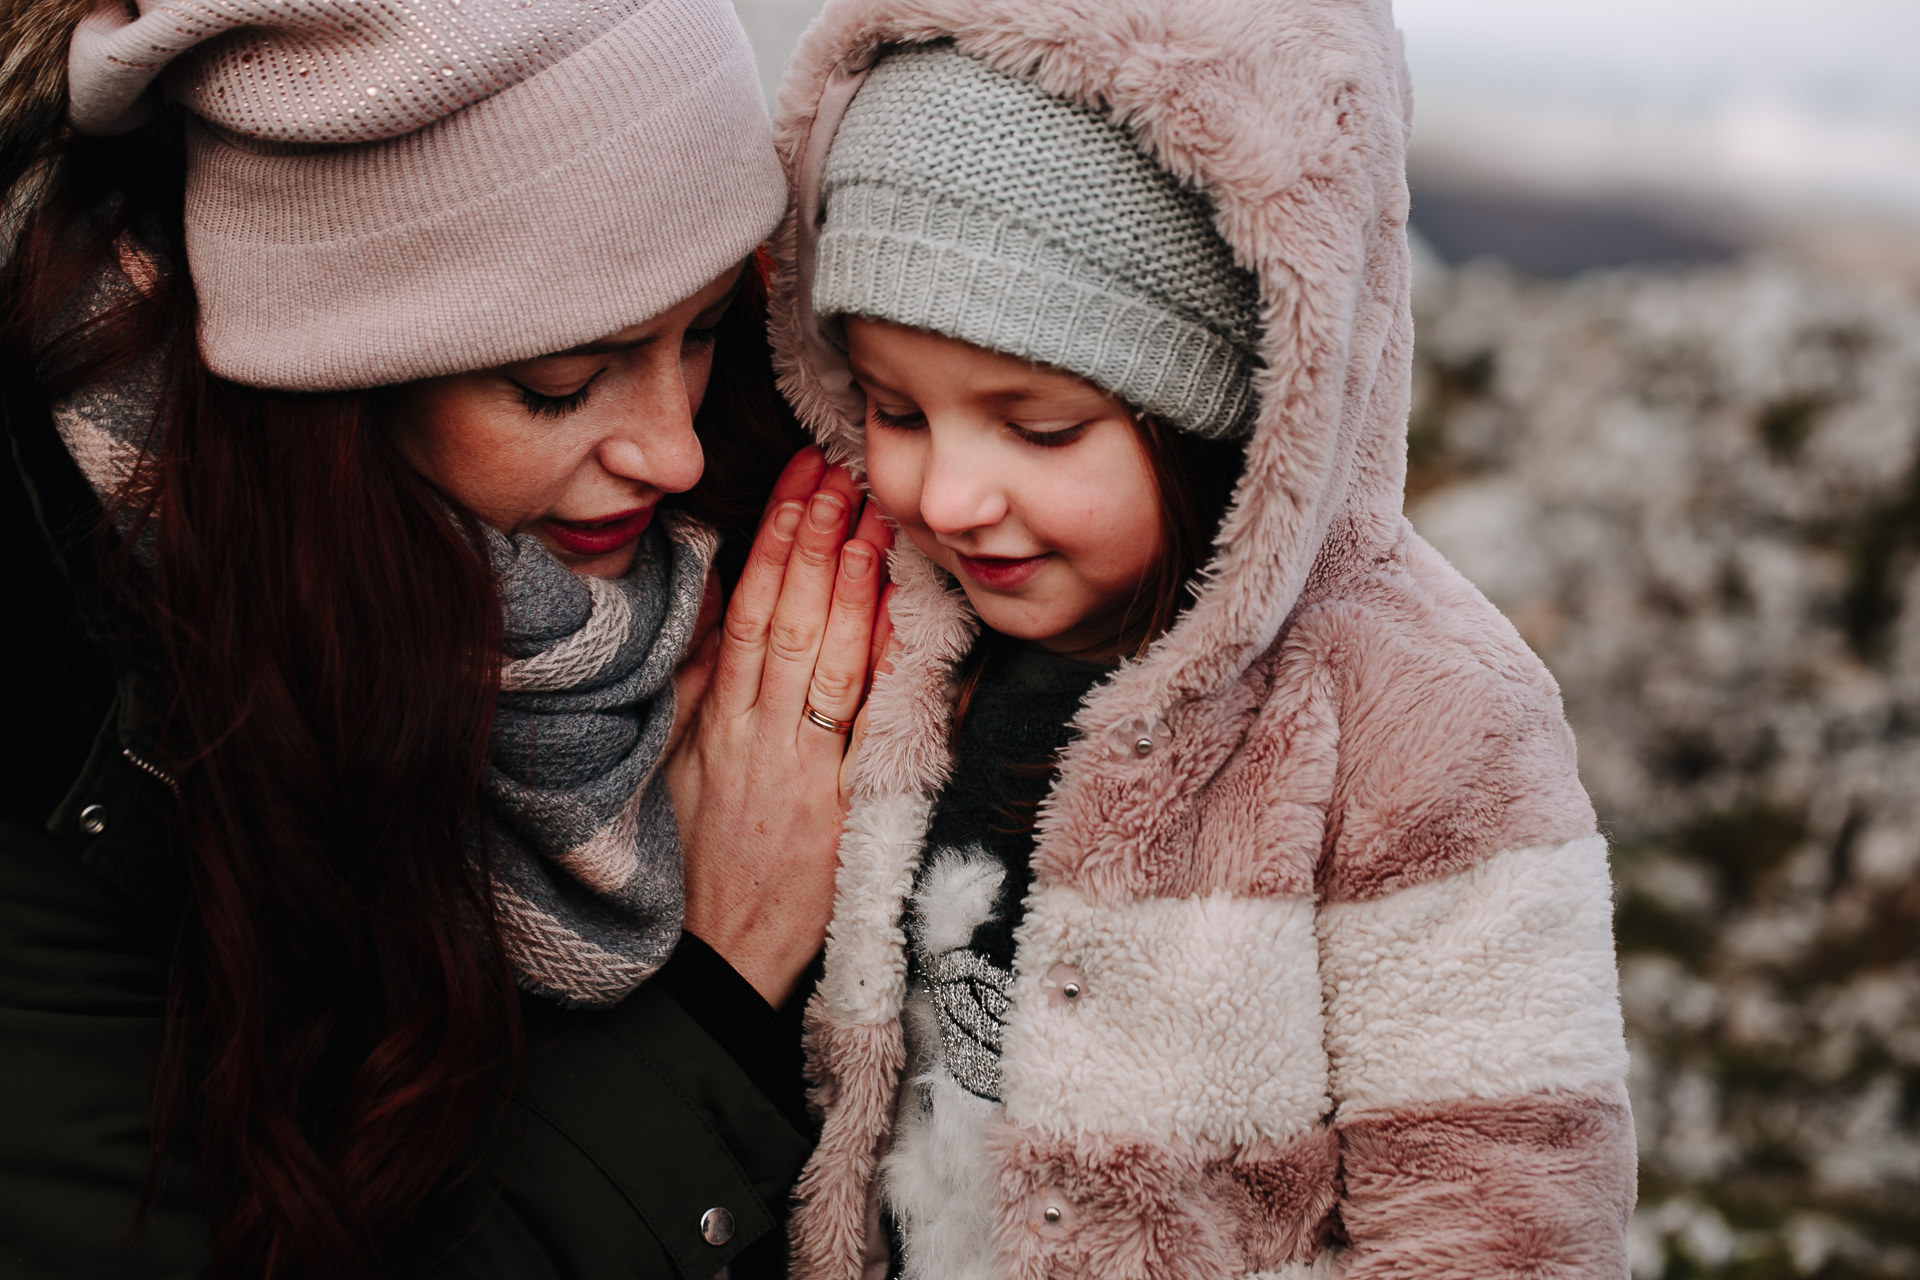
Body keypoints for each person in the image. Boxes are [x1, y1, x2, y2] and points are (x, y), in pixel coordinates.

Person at [0, 0, 886, 1275]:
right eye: (559, 385)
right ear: (332, 389)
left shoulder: (768, 499)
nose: (675, 446)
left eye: (697, 334)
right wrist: (718, 988)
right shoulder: (60, 742)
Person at [764, 4, 1638, 1278]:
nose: (949, 495)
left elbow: (1502, 1209)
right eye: (897, 408)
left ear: (1227, 401)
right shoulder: (900, 623)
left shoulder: (1420, 714)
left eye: (1041, 428)